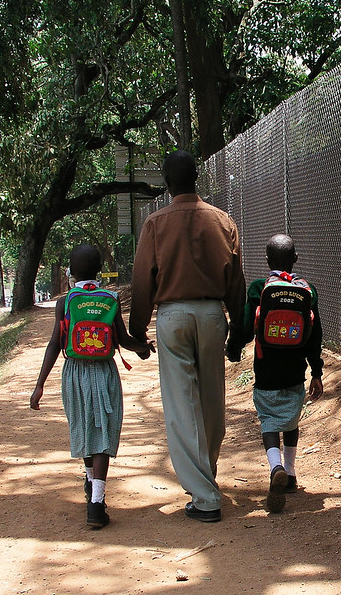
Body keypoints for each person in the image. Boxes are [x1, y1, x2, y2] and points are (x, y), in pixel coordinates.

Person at [129, 150, 246, 523]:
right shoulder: (223, 220)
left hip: (172, 316)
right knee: (212, 399)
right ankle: (205, 476)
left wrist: (136, 332)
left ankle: (205, 496)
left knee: (182, 405)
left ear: (166, 181)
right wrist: (239, 334)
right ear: (198, 177)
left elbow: (143, 280)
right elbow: (237, 282)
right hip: (214, 314)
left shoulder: (155, 223)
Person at [31, 244, 153, 528]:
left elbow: (54, 344)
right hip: (104, 372)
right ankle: (96, 502)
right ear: (100, 270)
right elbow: (122, 339)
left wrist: (39, 385)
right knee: (102, 433)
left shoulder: (66, 301)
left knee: (84, 427)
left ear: (71, 272)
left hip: (74, 373)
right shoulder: (110, 298)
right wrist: (143, 348)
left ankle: (90, 483)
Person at [235, 234, 324, 513]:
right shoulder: (308, 291)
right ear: (295, 258)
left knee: (270, 420)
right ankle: (291, 472)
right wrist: (316, 372)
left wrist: (233, 347)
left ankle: (275, 466)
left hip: (266, 369)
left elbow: (248, 327)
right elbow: (315, 337)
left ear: (266, 260)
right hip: (295, 370)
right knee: (291, 419)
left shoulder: (260, 288)